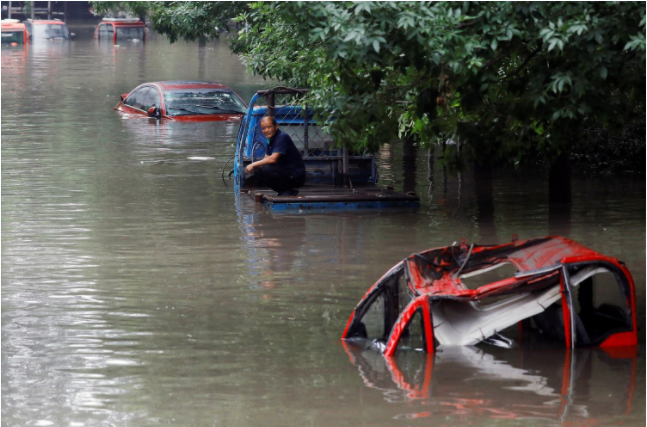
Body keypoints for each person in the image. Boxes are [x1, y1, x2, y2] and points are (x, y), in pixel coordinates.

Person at [245, 116, 306, 196]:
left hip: (296, 175)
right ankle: (283, 191)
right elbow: (266, 159)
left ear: (276, 126)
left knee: (267, 169)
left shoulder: (282, 137)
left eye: (269, 127)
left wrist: (253, 164)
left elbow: (272, 159)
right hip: (284, 172)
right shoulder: (270, 140)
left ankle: (288, 191)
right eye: (263, 128)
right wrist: (251, 167)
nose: (266, 130)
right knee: (258, 171)